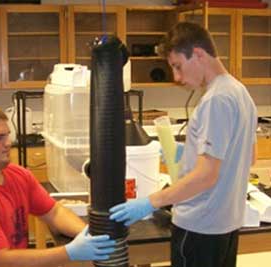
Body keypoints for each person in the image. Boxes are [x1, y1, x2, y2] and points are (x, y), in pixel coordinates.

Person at [110, 22, 258, 267]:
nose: (177, 77)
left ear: (198, 54)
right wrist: (188, 153)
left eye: (177, 66)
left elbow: (205, 176)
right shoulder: (240, 92)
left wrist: (151, 202)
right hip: (226, 225)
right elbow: (248, 156)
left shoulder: (215, 100)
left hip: (199, 226)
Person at [0, 104, 115, 267]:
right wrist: (70, 253)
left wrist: (87, 234)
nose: (8, 143)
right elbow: (0, 260)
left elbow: (54, 212)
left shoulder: (18, 175)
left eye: (8, 136)